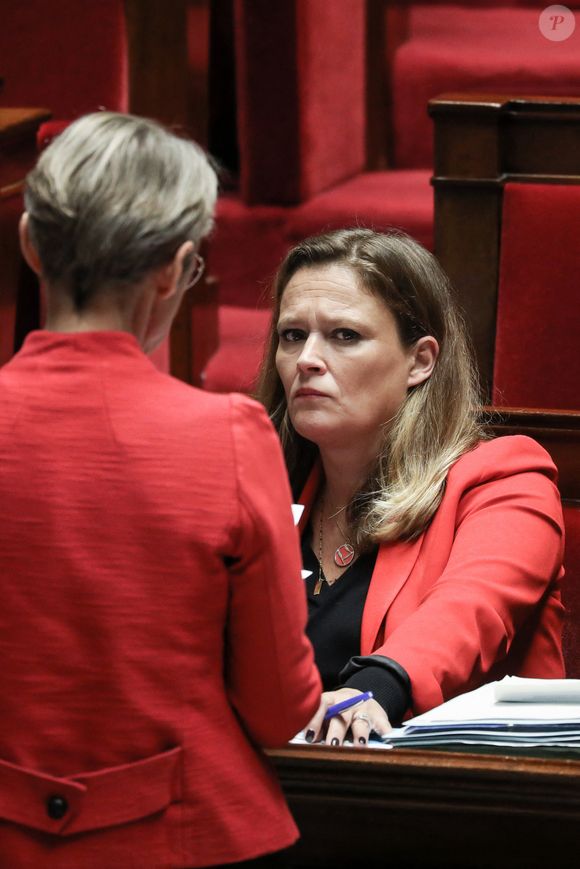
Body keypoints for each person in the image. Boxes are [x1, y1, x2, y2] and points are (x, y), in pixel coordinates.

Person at [0, 112, 321, 869]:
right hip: (188, 838)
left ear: (30, 245)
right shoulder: (228, 435)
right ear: (175, 269)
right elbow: (281, 710)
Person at [257, 227, 565, 746]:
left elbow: (469, 613)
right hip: (281, 786)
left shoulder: (505, 483)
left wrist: (378, 686)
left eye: (344, 335)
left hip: (455, 801)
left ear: (420, 361)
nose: (307, 358)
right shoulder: (260, 484)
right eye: (292, 335)